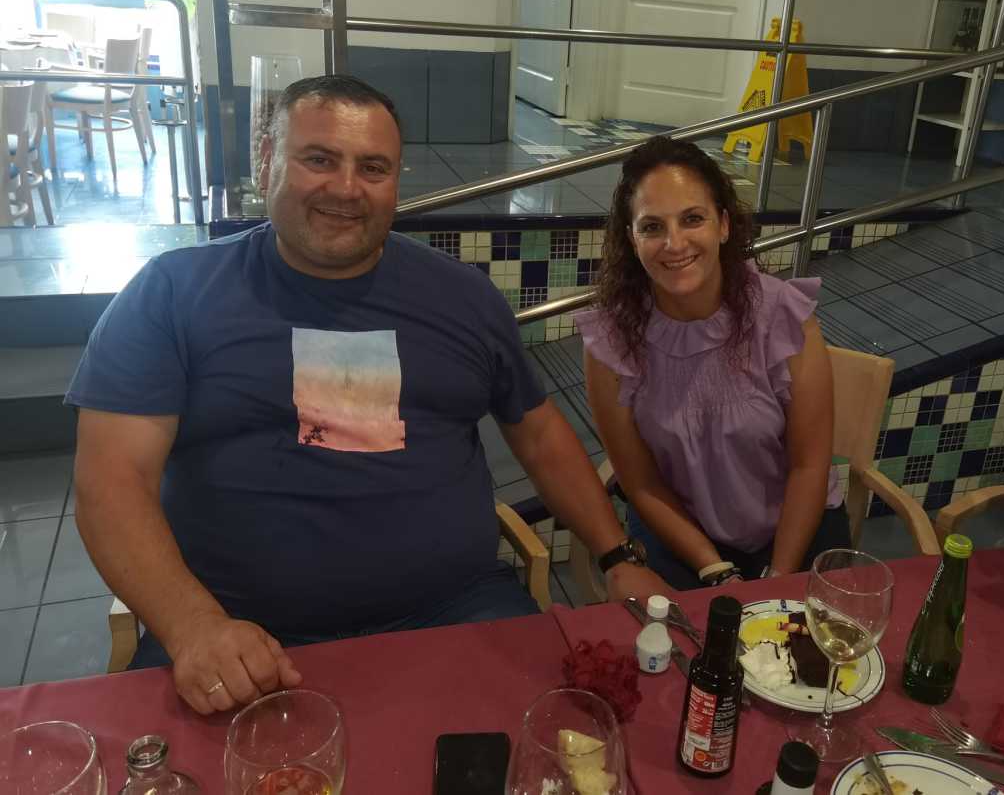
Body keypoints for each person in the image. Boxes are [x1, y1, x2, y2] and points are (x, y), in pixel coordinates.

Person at [67, 75, 669, 715]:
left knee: (566, 748)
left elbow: (541, 434)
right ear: (267, 161)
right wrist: (192, 625)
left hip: (456, 612)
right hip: (238, 631)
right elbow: (112, 482)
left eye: (373, 168)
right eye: (319, 159)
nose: (347, 188)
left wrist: (617, 555)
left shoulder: (462, 298)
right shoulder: (172, 295)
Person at [575, 136, 850, 592]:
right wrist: (713, 567)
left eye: (692, 219)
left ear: (723, 225)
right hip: (680, 534)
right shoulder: (609, 342)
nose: (674, 244)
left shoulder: (784, 316)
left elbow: (809, 465)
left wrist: (775, 580)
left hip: (794, 529)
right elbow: (640, 483)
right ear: (632, 239)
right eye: (652, 227)